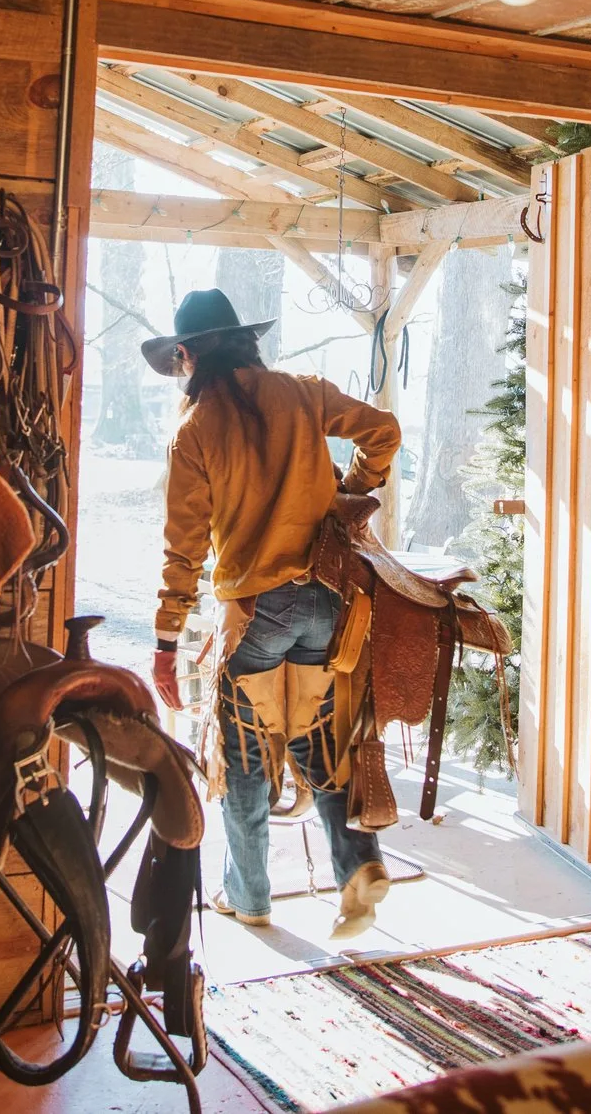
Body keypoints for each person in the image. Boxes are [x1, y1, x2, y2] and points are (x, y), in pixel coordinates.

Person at [144, 288, 402, 938]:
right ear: (245, 340)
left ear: (188, 354)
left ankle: (250, 895)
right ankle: (358, 866)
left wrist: (165, 640)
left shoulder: (194, 429)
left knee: (244, 755)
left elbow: (185, 549)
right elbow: (384, 431)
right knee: (317, 739)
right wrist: (353, 491)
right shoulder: (302, 391)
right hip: (324, 601)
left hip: (252, 613)